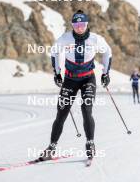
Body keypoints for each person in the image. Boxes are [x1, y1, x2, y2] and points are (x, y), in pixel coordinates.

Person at [39, 10, 112, 160]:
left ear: (86, 24)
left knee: (86, 110)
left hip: (88, 79)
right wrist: (57, 73)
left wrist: (106, 73)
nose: (79, 27)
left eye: (82, 24)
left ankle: (90, 143)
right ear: (72, 25)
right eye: (76, 24)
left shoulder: (95, 39)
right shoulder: (65, 38)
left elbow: (108, 52)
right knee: (61, 113)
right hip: (70, 80)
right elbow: (54, 52)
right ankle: (51, 147)